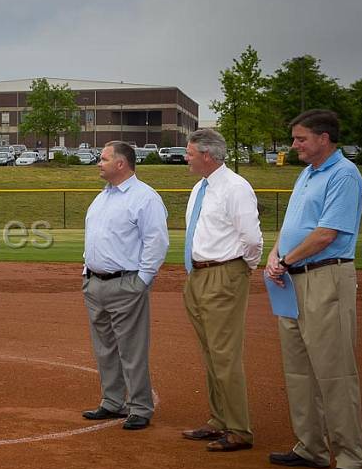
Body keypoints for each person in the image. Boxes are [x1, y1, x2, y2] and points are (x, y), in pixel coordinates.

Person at [265, 109, 362, 469]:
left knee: (335, 370)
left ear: (324, 138)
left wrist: (287, 260)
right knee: (298, 368)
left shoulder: (344, 175)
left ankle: (353, 458)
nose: (294, 146)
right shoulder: (306, 174)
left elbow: (327, 233)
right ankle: (311, 447)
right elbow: (292, 226)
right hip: (293, 278)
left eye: (300, 139)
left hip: (325, 276)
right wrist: (276, 255)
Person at [181, 129, 263, 452]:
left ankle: (240, 429)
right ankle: (219, 420)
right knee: (210, 353)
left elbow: (252, 240)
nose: (185, 157)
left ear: (207, 155)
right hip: (198, 276)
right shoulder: (200, 188)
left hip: (224, 273)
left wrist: (242, 270)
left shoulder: (235, 188)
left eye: (189, 152)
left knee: (225, 355)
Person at [81, 141, 169, 430]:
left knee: (131, 349)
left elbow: (156, 242)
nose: (98, 162)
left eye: (104, 158)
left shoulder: (145, 197)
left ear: (121, 163)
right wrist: (87, 271)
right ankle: (112, 401)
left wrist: (142, 280)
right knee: (104, 348)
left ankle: (140, 407)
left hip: (126, 283)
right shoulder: (102, 197)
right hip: (96, 284)